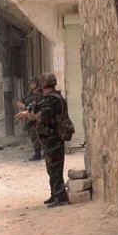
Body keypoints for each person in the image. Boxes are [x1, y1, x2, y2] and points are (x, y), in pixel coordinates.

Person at [19, 73, 70, 207]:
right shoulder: (50, 98)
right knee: (51, 167)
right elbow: (37, 105)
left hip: (55, 137)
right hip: (50, 138)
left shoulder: (53, 100)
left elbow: (44, 116)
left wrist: (30, 116)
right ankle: (55, 194)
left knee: (55, 167)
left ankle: (61, 196)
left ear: (43, 85)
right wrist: (28, 110)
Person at [18, 77, 44, 162]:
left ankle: (46, 152)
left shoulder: (41, 94)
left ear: (37, 84)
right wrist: (22, 106)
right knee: (33, 136)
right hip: (31, 118)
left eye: (33, 83)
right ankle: (37, 153)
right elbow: (19, 102)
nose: (31, 85)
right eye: (30, 83)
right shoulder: (28, 95)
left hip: (40, 117)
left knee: (43, 135)